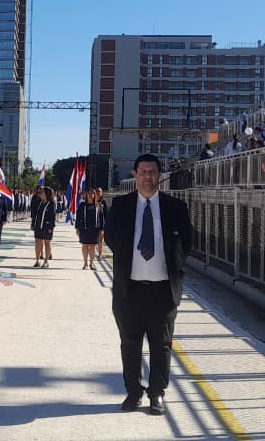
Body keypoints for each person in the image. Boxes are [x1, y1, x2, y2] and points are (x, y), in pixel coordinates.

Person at [106, 154, 193, 416]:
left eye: (152, 172)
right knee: (130, 344)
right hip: (129, 290)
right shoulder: (121, 206)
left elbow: (187, 242)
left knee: (161, 345)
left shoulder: (175, 207)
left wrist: (174, 267)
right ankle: (133, 392)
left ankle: (157, 393)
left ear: (159, 175)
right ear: (136, 175)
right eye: (142, 172)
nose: (147, 176)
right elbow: (110, 238)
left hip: (162, 291)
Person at [76, 189, 105, 270]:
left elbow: (101, 218)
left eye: (92, 193)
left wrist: (102, 229)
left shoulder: (98, 205)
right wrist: (77, 228)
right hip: (84, 229)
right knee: (84, 245)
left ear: (94, 195)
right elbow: (78, 217)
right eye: (89, 193)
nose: (90, 195)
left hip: (94, 229)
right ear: (86, 195)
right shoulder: (82, 205)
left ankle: (91, 263)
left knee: (92, 246)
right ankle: (85, 263)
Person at [30, 186, 56, 268]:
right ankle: (37, 260)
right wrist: (33, 223)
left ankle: (46, 261)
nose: (39, 194)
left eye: (41, 192)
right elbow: (35, 214)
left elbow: (53, 216)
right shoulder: (38, 202)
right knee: (38, 243)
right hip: (38, 226)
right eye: (39, 192)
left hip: (47, 227)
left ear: (46, 194)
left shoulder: (51, 204)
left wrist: (51, 227)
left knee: (47, 243)